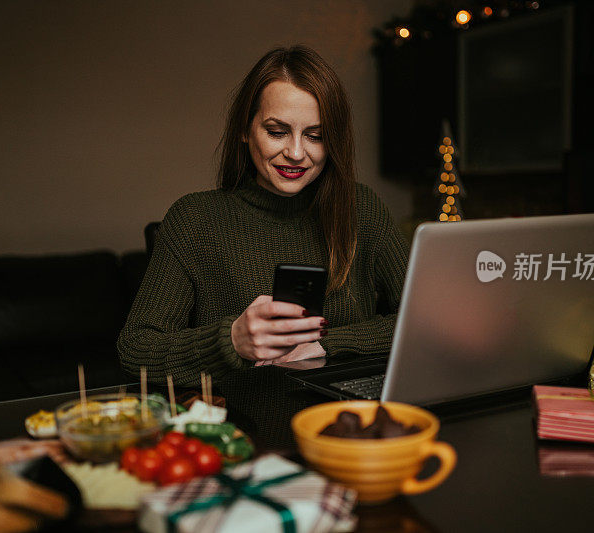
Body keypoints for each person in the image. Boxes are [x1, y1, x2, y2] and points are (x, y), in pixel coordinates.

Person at [117, 45, 408, 387]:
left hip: (349, 425)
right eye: (276, 131)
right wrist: (232, 341)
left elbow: (425, 320)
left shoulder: (362, 207)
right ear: (245, 128)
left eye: (315, 136)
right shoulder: (194, 220)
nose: (297, 153)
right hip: (245, 430)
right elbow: (135, 350)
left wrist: (325, 345)